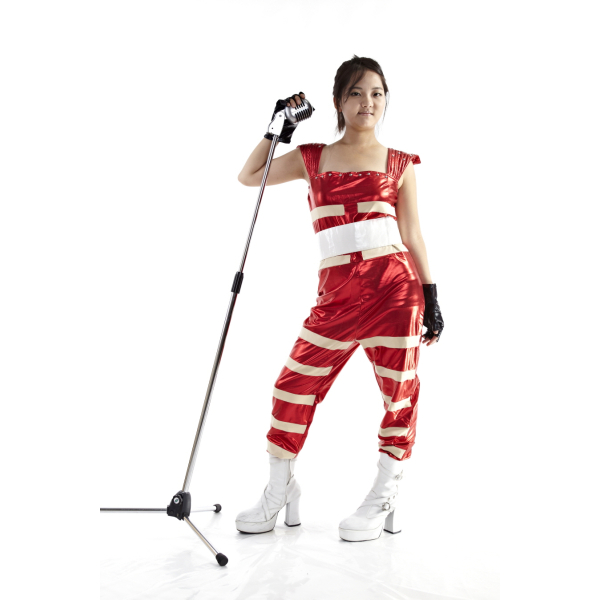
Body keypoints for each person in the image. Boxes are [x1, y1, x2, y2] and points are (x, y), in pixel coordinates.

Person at [234, 55, 444, 542]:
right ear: (338, 101)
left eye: (377, 93)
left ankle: (384, 494)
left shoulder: (399, 163)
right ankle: (280, 489)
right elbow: (249, 176)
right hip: (335, 296)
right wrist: (277, 129)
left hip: (395, 289)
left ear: (386, 99)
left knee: (399, 394)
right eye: (356, 93)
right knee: (291, 386)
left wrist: (431, 295)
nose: (368, 102)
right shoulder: (311, 158)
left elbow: (412, 233)